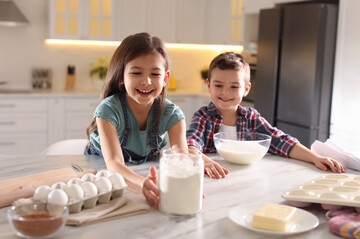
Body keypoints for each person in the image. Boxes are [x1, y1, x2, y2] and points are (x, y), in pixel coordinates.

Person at [85, 32, 220, 209]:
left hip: (142, 166)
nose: (146, 81)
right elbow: (115, 164)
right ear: (121, 76)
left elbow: (180, 155)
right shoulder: (108, 110)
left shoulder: (173, 115)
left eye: (155, 74)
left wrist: (186, 185)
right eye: (136, 72)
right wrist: (144, 185)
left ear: (165, 78)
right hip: (101, 167)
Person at [186, 52, 346, 177]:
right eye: (218, 85)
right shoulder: (203, 117)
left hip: (246, 179)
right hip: (214, 180)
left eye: (234, 86)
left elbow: (280, 140)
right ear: (209, 85)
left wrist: (315, 158)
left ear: (246, 89)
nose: (225, 92)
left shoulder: (251, 117)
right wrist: (203, 161)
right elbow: (190, 145)